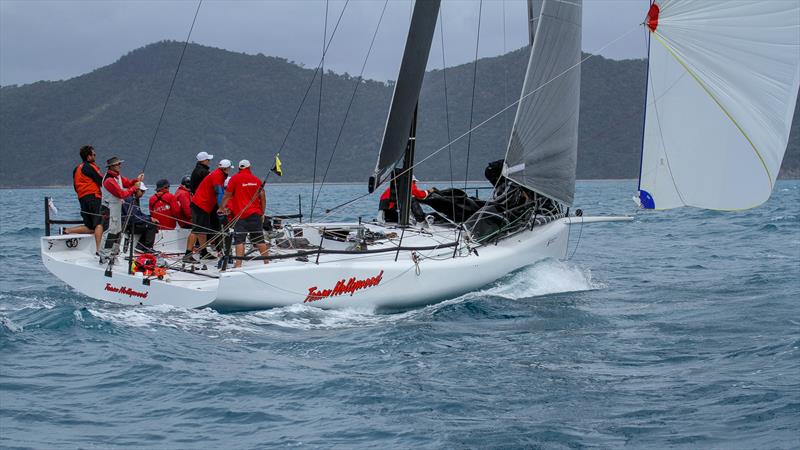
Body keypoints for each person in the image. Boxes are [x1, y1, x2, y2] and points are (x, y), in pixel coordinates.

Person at [220, 159, 268, 268]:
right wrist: (262, 212)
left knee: (239, 240)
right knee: (259, 239)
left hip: (240, 216)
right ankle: (267, 263)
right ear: (249, 167)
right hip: (255, 214)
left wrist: (221, 208)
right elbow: (263, 197)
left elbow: (227, 195)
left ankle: (238, 264)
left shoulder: (234, 179)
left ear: (239, 168)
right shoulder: (256, 180)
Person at [184, 159, 230, 262]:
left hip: (204, 205)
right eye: (229, 168)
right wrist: (222, 207)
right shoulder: (218, 175)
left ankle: (203, 252)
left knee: (203, 229)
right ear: (226, 169)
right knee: (196, 230)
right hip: (200, 205)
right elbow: (219, 192)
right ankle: (187, 255)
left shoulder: (217, 173)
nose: (229, 170)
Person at [98, 157, 142, 263]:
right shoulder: (109, 180)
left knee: (117, 231)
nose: (120, 166)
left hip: (116, 207)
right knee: (110, 231)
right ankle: (104, 255)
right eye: (118, 164)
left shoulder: (118, 177)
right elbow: (121, 194)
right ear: (112, 167)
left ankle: (113, 253)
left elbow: (128, 183)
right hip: (109, 208)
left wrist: (137, 180)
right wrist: (135, 188)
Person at [64, 145, 104, 251]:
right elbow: (102, 181)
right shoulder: (90, 167)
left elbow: (75, 187)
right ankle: (98, 250)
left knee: (90, 226)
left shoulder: (76, 169)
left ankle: (67, 231)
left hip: (82, 198)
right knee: (99, 223)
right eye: (94, 154)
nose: (95, 156)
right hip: (94, 197)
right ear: (89, 157)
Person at [123, 183, 159, 252]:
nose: (143, 193)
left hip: (133, 223)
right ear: (136, 190)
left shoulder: (135, 199)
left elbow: (138, 214)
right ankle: (147, 248)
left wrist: (149, 217)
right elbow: (133, 217)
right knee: (151, 224)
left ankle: (140, 246)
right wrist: (149, 219)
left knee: (150, 220)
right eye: (142, 191)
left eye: (144, 191)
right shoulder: (130, 199)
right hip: (128, 225)